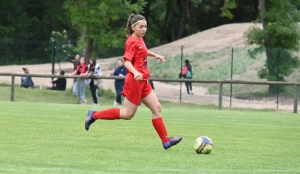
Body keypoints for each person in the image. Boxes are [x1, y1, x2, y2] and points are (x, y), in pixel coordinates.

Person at [85, 14, 182, 150]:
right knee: (128, 114)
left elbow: (142, 51)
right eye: (141, 27)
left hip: (143, 81)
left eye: (145, 27)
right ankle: (94, 115)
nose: (144, 29)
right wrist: (135, 72)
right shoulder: (131, 41)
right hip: (134, 81)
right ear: (133, 27)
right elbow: (126, 61)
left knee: (157, 108)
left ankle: (166, 141)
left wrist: (155, 55)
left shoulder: (140, 39)